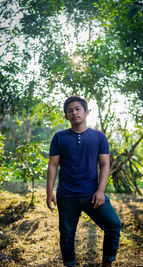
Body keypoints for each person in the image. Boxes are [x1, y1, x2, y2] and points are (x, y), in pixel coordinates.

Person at [46, 96, 121, 267]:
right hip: (66, 195)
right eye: (70, 110)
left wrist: (101, 191)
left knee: (113, 225)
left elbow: (104, 164)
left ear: (86, 112)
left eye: (78, 109)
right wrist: (49, 192)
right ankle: (70, 264)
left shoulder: (99, 137)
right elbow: (53, 165)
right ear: (66, 116)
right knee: (66, 235)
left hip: (92, 194)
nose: (74, 112)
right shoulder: (59, 137)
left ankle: (107, 263)